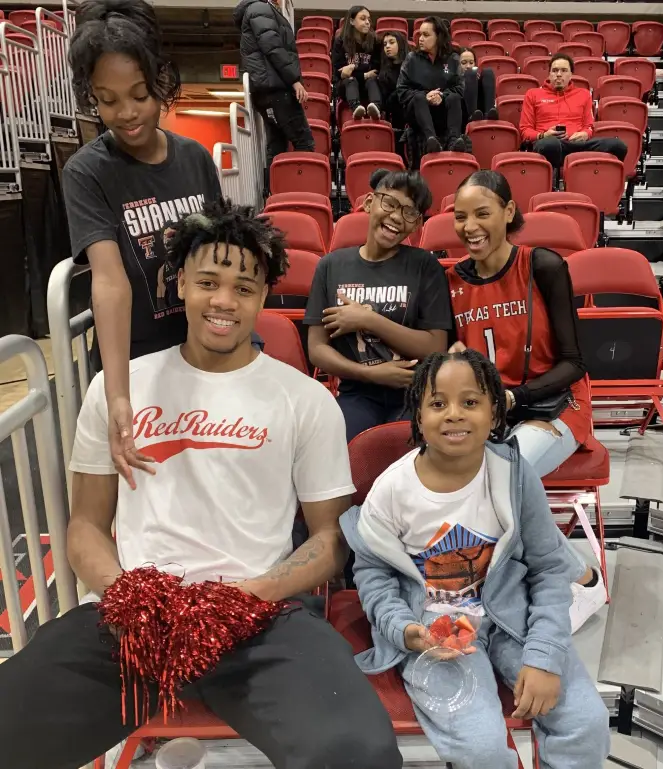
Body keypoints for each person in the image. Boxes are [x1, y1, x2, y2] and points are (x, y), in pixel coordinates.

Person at [0, 200, 403, 769]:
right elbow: (86, 525)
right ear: (180, 283)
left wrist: (243, 600)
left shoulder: (304, 400)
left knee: (359, 753)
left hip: (258, 619)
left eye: (244, 287)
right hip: (133, 620)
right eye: (209, 281)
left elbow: (330, 540)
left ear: (263, 295)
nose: (224, 301)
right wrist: (132, 598)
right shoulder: (120, 388)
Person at [340, 349, 611, 769]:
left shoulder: (515, 477)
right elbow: (372, 574)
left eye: (470, 402)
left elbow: (548, 570)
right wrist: (405, 630)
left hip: (513, 619)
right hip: (437, 632)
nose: (454, 414)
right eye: (437, 403)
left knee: (586, 722)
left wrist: (544, 657)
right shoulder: (392, 490)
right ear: (417, 414)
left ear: (494, 413)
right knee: (481, 749)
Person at [62, 0, 223, 488]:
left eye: (139, 95)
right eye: (108, 101)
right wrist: (118, 396)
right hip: (139, 358)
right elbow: (109, 284)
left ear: (160, 83)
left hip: (203, 348)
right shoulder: (86, 172)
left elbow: (221, 259)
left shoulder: (195, 158)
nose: (127, 114)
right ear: (92, 97)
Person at [447, 169, 607, 631]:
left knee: (503, 479)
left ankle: (584, 574)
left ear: (509, 212)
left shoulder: (542, 265)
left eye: (482, 213)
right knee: (475, 483)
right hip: (489, 415)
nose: (470, 226)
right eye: (460, 217)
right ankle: (537, 578)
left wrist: (516, 397)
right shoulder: (451, 281)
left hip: (554, 405)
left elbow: (574, 362)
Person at [304, 169, 452, 443]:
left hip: (414, 393)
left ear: (417, 223)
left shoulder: (425, 266)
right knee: (334, 448)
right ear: (370, 203)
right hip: (357, 393)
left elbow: (435, 346)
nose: (396, 217)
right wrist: (369, 374)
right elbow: (317, 349)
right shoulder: (331, 266)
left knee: (407, 453)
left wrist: (368, 320)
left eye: (409, 212)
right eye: (390, 204)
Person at [235, 0, 315, 174]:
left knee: (277, 145)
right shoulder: (260, 9)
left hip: (269, 90)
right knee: (304, 142)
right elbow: (273, 47)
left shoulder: (261, 9)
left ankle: (274, 196)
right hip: (276, 89)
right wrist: (294, 80)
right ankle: (299, 192)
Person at [520, 53, 627, 170]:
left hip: (577, 144)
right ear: (549, 74)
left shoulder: (584, 94)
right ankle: (555, 179)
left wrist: (585, 134)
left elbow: (589, 127)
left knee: (617, 145)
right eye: (555, 71)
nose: (559, 75)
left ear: (571, 75)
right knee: (550, 144)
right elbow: (525, 131)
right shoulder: (533, 94)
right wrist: (544, 135)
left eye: (564, 70)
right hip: (548, 143)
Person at [396, 16, 466, 154]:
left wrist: (442, 96)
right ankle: (431, 140)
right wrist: (425, 96)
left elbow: (460, 88)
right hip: (418, 113)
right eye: (420, 34)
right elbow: (401, 90)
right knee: (419, 98)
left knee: (454, 98)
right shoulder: (411, 59)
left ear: (438, 37)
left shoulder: (453, 59)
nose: (420, 39)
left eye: (426, 35)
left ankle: (454, 142)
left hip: (443, 111)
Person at [332, 5, 382, 120]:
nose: (367, 22)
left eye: (369, 19)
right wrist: (364, 74)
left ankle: (376, 108)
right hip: (346, 87)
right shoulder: (340, 42)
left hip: (367, 87)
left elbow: (375, 70)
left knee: (372, 80)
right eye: (363, 19)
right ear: (352, 21)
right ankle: (356, 109)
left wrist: (354, 71)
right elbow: (339, 73)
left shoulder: (375, 42)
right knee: (351, 80)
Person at [459, 48, 498, 124]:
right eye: (463, 63)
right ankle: (473, 115)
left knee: (488, 72)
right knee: (470, 74)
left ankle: (489, 113)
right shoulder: (453, 80)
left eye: (471, 63)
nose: (468, 66)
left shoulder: (478, 78)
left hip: (482, 114)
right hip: (463, 115)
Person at [378, 31, 408, 131]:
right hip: (393, 108)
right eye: (385, 44)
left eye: (391, 42)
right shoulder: (384, 68)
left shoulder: (410, 64)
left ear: (400, 43)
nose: (387, 46)